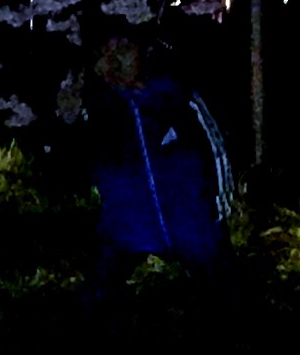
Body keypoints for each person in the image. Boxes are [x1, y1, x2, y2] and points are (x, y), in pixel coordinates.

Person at [84, 29, 232, 289]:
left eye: (124, 49)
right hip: (126, 224)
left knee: (224, 292)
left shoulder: (176, 96)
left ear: (145, 51)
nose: (114, 61)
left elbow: (213, 148)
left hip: (191, 222)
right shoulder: (102, 108)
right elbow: (85, 163)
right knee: (97, 295)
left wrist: (218, 207)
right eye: (105, 54)